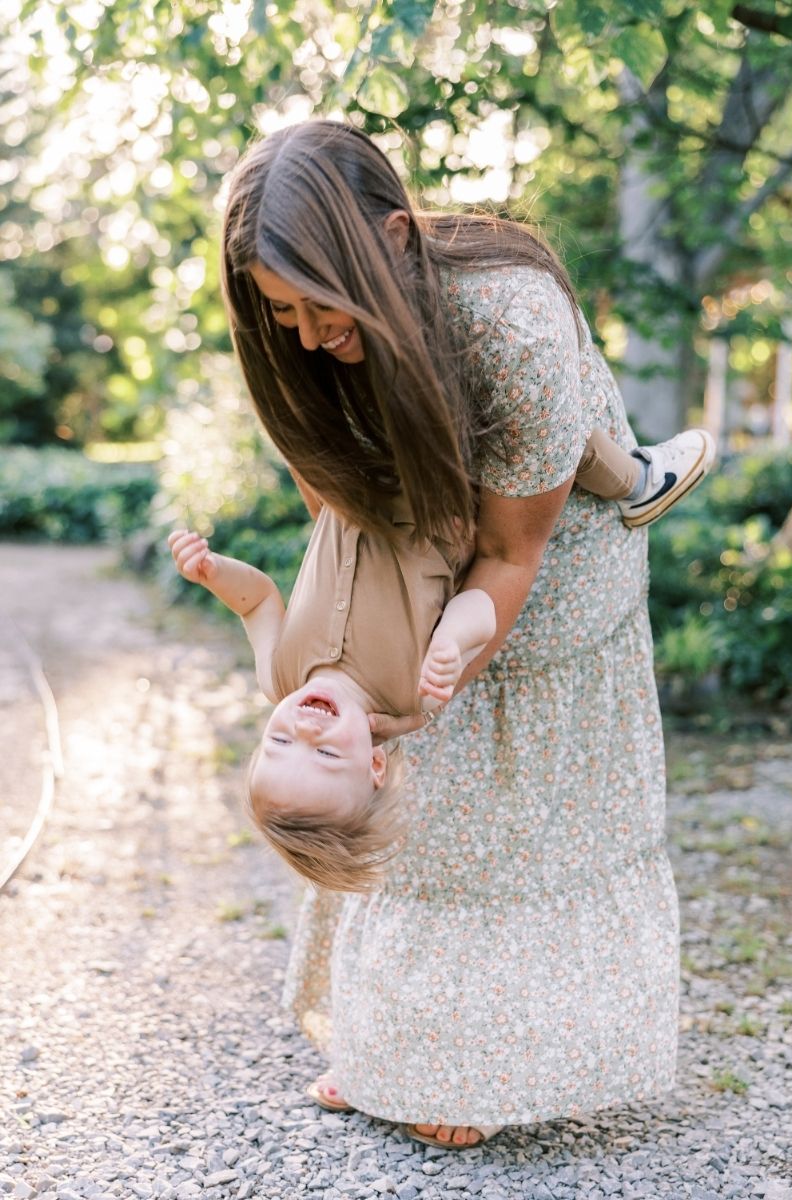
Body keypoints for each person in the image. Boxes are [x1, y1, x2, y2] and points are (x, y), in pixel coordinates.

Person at [219, 119, 681, 1149]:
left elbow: (510, 553)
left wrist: (446, 644)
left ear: (389, 239)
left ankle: (480, 1076)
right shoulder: (307, 337)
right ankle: (393, 1056)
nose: (300, 335)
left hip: (543, 571)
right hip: (424, 565)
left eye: (316, 305)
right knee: (415, 838)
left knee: (507, 846)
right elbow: (331, 506)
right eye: (279, 312)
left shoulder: (509, 325)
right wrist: (376, 620)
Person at [166, 501, 493, 892]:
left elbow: (257, 602)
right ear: (374, 765)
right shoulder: (415, 691)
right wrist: (452, 638)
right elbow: (482, 604)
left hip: (351, 489)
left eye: (280, 741)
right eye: (325, 754)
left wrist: (214, 574)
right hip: (431, 497)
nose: (305, 729)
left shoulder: (277, 677)